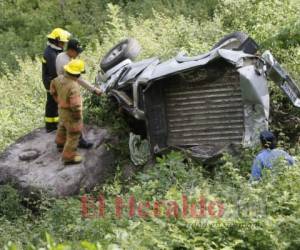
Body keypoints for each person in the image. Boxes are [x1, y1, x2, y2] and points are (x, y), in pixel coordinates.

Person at [56, 38, 102, 149]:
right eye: (77, 52)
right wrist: (94, 89)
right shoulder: (66, 62)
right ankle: (80, 141)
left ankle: (60, 142)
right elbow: (79, 79)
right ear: (71, 50)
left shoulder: (60, 55)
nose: (78, 54)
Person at [50, 59, 86, 164]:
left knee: (62, 126)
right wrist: (78, 116)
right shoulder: (74, 86)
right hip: (71, 114)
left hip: (61, 111)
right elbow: (75, 105)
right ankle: (68, 156)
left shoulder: (58, 79)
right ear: (77, 74)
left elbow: (52, 90)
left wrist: (58, 100)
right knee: (74, 133)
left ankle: (60, 143)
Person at [42, 28, 70, 133]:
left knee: (53, 103)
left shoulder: (55, 50)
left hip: (53, 80)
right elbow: (55, 71)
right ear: (56, 40)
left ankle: (54, 124)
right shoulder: (50, 53)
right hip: (50, 81)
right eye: (62, 42)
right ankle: (50, 126)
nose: (64, 44)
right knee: (51, 102)